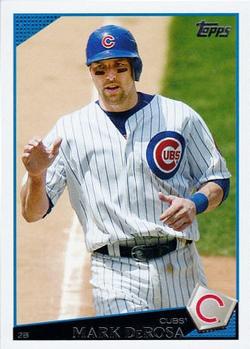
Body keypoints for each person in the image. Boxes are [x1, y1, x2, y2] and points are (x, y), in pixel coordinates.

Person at [21, 24, 230, 315]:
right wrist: (36, 176)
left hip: (182, 268)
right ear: (91, 73)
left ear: (134, 69)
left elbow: (218, 180)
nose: (110, 76)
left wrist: (196, 203)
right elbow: (33, 213)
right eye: (100, 69)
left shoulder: (178, 115)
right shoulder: (68, 131)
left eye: (119, 67)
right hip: (115, 274)